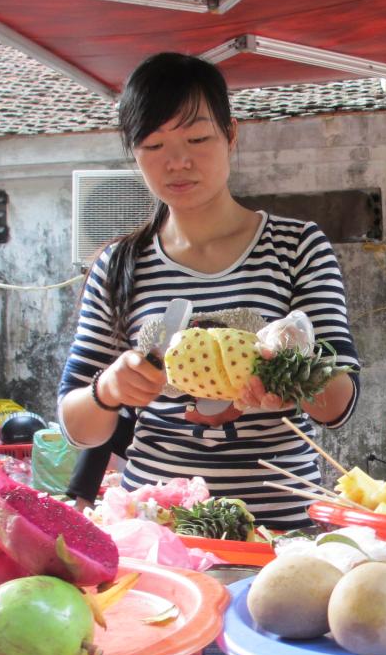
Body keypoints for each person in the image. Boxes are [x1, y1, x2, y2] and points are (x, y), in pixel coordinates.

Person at [57, 52, 360, 528]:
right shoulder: (119, 265)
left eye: (198, 138)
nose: (178, 161)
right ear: (133, 153)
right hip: (161, 530)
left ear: (230, 135)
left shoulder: (297, 246)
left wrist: (291, 371)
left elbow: (338, 405)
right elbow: (76, 427)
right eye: (153, 145)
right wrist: (109, 389)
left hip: (280, 531)